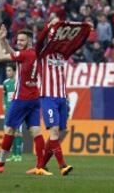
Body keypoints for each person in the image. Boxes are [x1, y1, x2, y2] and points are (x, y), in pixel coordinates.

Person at [0, 25, 51, 176]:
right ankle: (40, 166)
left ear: (30, 41)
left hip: (21, 98)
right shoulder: (34, 53)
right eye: (18, 40)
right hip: (34, 98)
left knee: (9, 130)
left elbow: (1, 56)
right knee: (36, 132)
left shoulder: (25, 54)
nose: (19, 42)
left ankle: (0, 164)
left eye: (22, 40)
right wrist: (4, 40)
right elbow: (14, 53)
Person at [29, 18, 91, 176]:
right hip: (48, 97)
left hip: (62, 98)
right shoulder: (41, 53)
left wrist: (87, 32)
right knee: (54, 132)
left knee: (60, 132)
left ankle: (40, 166)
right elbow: (39, 41)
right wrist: (47, 26)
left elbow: (77, 43)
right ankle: (62, 166)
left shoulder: (62, 54)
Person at [2, 64, 23, 162]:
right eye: (6, 71)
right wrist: (4, 104)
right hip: (9, 111)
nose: (7, 72)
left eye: (9, 70)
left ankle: (18, 155)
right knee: (10, 133)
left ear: (14, 71)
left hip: (18, 110)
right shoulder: (5, 83)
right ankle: (14, 155)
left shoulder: (18, 82)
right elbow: (4, 95)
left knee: (18, 133)